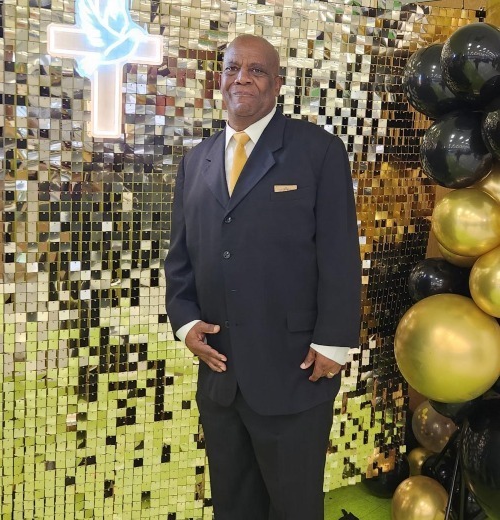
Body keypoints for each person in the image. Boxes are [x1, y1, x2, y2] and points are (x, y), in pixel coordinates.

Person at [164, 34, 361, 520]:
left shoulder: (318, 151)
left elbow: (339, 253)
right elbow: (180, 258)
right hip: (221, 376)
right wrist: (185, 323)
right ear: (219, 79)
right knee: (233, 506)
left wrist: (334, 342)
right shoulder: (196, 161)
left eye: (256, 70)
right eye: (233, 68)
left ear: (277, 84)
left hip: (294, 372)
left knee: (294, 508)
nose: (242, 79)